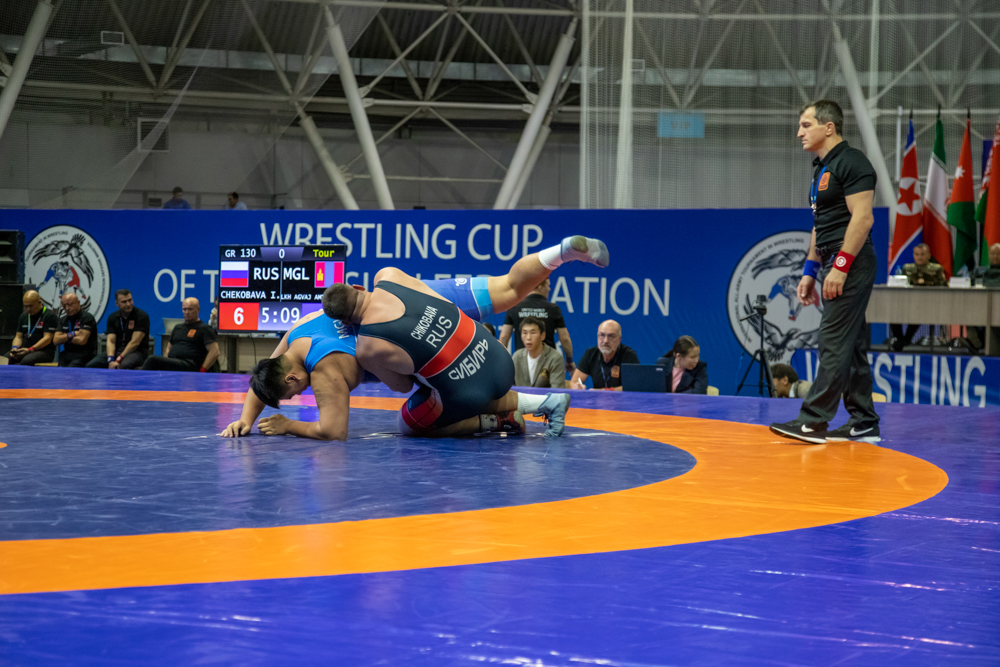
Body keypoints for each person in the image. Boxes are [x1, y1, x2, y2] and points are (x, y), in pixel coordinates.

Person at [321, 235, 611, 438]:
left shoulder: (367, 347)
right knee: (510, 286)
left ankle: (495, 421)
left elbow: (403, 385)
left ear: (345, 321)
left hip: (472, 390)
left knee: (409, 421)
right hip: (498, 357)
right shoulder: (388, 274)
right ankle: (561, 251)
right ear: (358, 287)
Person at [770, 99, 880, 444]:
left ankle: (814, 421)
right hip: (834, 261)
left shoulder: (852, 162)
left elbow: (863, 218)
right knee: (852, 344)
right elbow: (822, 226)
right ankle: (864, 421)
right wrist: (809, 270)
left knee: (832, 341)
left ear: (828, 127)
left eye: (806, 125)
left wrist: (841, 267)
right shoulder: (822, 169)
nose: (799, 132)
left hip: (852, 261)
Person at [221, 310, 363, 441]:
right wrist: (245, 421)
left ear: (291, 378)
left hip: (376, 342)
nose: (300, 393)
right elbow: (263, 377)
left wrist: (288, 425)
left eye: (293, 394)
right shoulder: (298, 330)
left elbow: (334, 432)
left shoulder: (322, 368)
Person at [499, 278, 576, 373]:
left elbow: (504, 337)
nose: (549, 289)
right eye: (548, 286)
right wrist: (569, 360)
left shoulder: (515, 307)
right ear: (540, 287)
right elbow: (565, 338)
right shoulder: (553, 309)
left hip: (522, 365)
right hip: (548, 366)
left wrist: (502, 361)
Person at [889, 243, 947, 350]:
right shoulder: (907, 268)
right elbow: (902, 284)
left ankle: (905, 339)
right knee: (894, 311)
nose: (919, 257)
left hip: (931, 303)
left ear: (929, 255)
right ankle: (900, 339)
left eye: (922, 254)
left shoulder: (937, 268)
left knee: (917, 310)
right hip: (910, 302)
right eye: (917, 254)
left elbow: (944, 286)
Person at [141, 298, 220, 372]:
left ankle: (137, 380)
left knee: (152, 360)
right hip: (175, 362)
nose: (187, 312)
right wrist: (166, 362)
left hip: (190, 365)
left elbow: (214, 351)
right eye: (184, 309)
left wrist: (202, 370)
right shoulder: (177, 328)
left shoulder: (205, 329)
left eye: (190, 309)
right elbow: (168, 347)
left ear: (198, 309)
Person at [86, 289, 150, 369]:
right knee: (91, 365)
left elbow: (135, 343)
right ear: (117, 303)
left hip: (137, 352)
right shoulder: (112, 317)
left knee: (124, 365)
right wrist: (111, 360)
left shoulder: (141, 316)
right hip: (117, 350)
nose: (128, 304)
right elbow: (111, 341)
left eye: (130, 300)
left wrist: (119, 359)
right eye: (124, 302)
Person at [570, 320, 639, 391]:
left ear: (619, 339)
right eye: (602, 335)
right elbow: (574, 381)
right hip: (596, 398)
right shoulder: (590, 353)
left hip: (622, 398)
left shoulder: (629, 356)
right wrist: (577, 387)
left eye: (611, 336)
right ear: (597, 336)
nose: (606, 341)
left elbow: (633, 386)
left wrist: (604, 391)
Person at [7, 290, 58, 366]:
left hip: (43, 351)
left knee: (26, 361)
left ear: (39, 302)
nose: (28, 309)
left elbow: (47, 338)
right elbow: (18, 337)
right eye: (26, 306)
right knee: (6, 358)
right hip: (24, 349)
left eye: (31, 306)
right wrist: (15, 348)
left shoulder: (49, 316)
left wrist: (30, 350)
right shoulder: (23, 316)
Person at [512, 317, 566, 388]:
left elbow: (557, 390)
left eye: (533, 333)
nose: (528, 337)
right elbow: (508, 387)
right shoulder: (516, 357)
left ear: (542, 336)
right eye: (525, 333)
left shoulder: (555, 358)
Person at [53, 292, 98, 367]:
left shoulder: (87, 317)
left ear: (78, 303)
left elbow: (82, 341)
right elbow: (56, 340)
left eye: (70, 304)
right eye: (64, 306)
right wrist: (73, 334)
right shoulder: (63, 320)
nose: (67, 308)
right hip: (67, 353)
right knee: (60, 371)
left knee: (69, 371)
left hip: (84, 354)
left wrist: (64, 338)